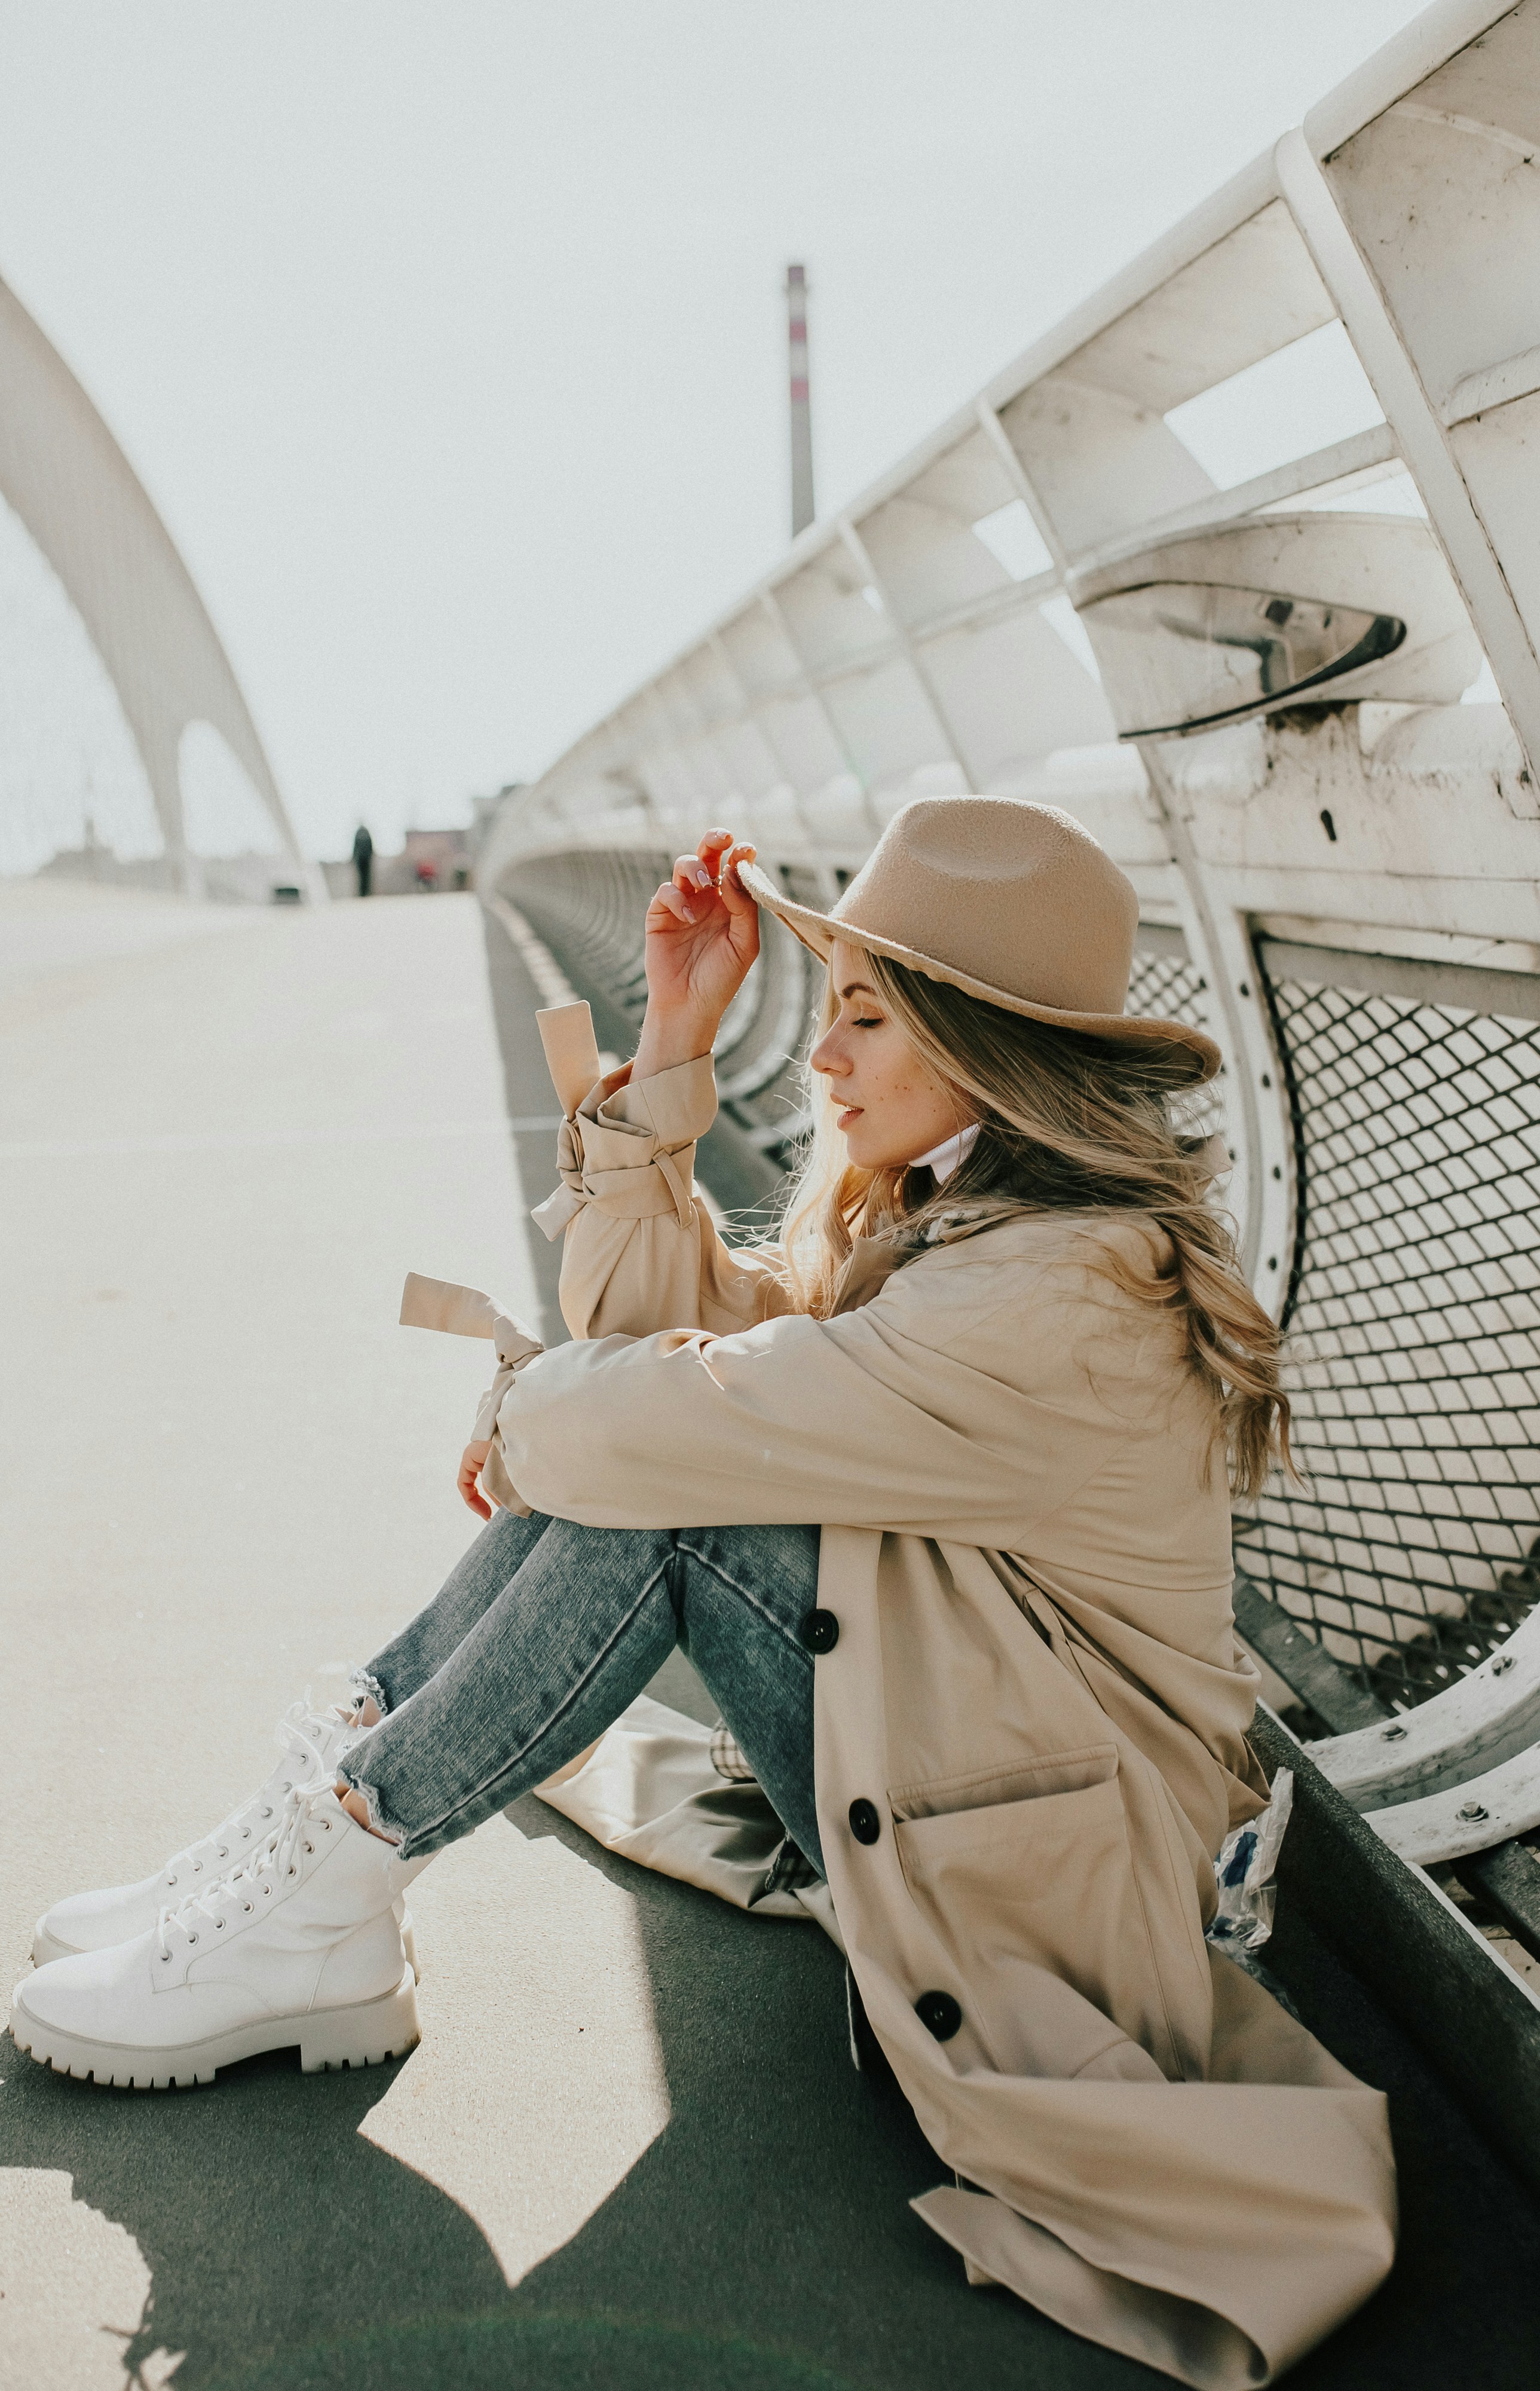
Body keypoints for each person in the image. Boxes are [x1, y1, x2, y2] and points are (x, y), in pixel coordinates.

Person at [13, 799, 1394, 2386]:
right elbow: (667, 1326)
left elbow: (672, 1419)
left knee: (675, 1499)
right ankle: (302, 1857)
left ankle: (330, 1880)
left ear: (983, 1045)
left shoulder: (1051, 1295)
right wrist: (673, 1045)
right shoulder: (977, 1226)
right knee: (663, 1467)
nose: (822, 1059)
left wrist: (526, 1422)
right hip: (1008, 1791)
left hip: (1069, 1896)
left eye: (864, 1018)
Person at [351, 821, 374, 898]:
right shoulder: (366, 832)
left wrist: (354, 857)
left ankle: (363, 893)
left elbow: (355, 847)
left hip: (361, 858)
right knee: (366, 876)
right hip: (366, 858)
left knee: (362, 876)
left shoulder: (358, 833)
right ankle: (366, 893)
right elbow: (371, 846)